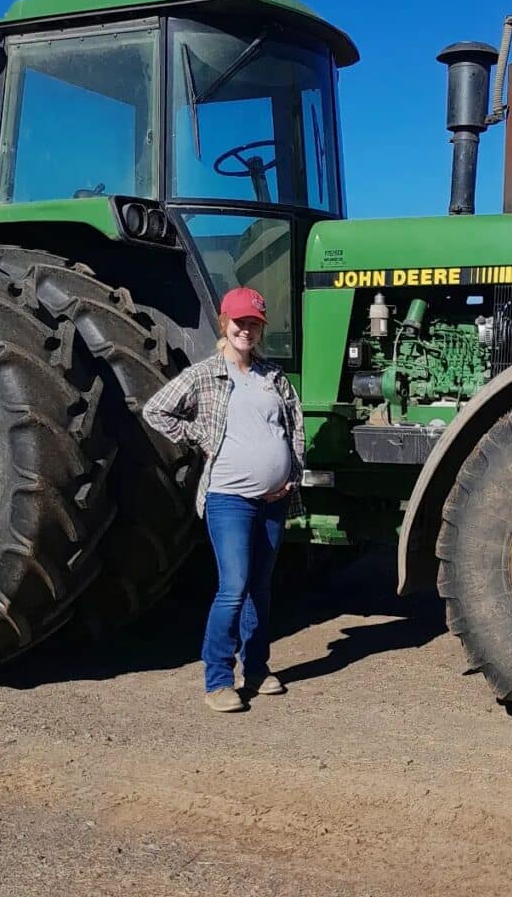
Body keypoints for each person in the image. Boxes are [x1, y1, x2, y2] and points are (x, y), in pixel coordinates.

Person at [142, 287, 304, 712]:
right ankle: (217, 679)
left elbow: (295, 427)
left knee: (260, 588)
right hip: (229, 498)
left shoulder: (273, 377)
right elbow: (156, 410)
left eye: (253, 324)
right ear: (224, 323)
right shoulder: (205, 374)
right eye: (239, 322)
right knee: (233, 587)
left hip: (273, 499)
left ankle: (256, 669)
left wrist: (293, 476)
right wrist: (198, 438)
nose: (246, 330)